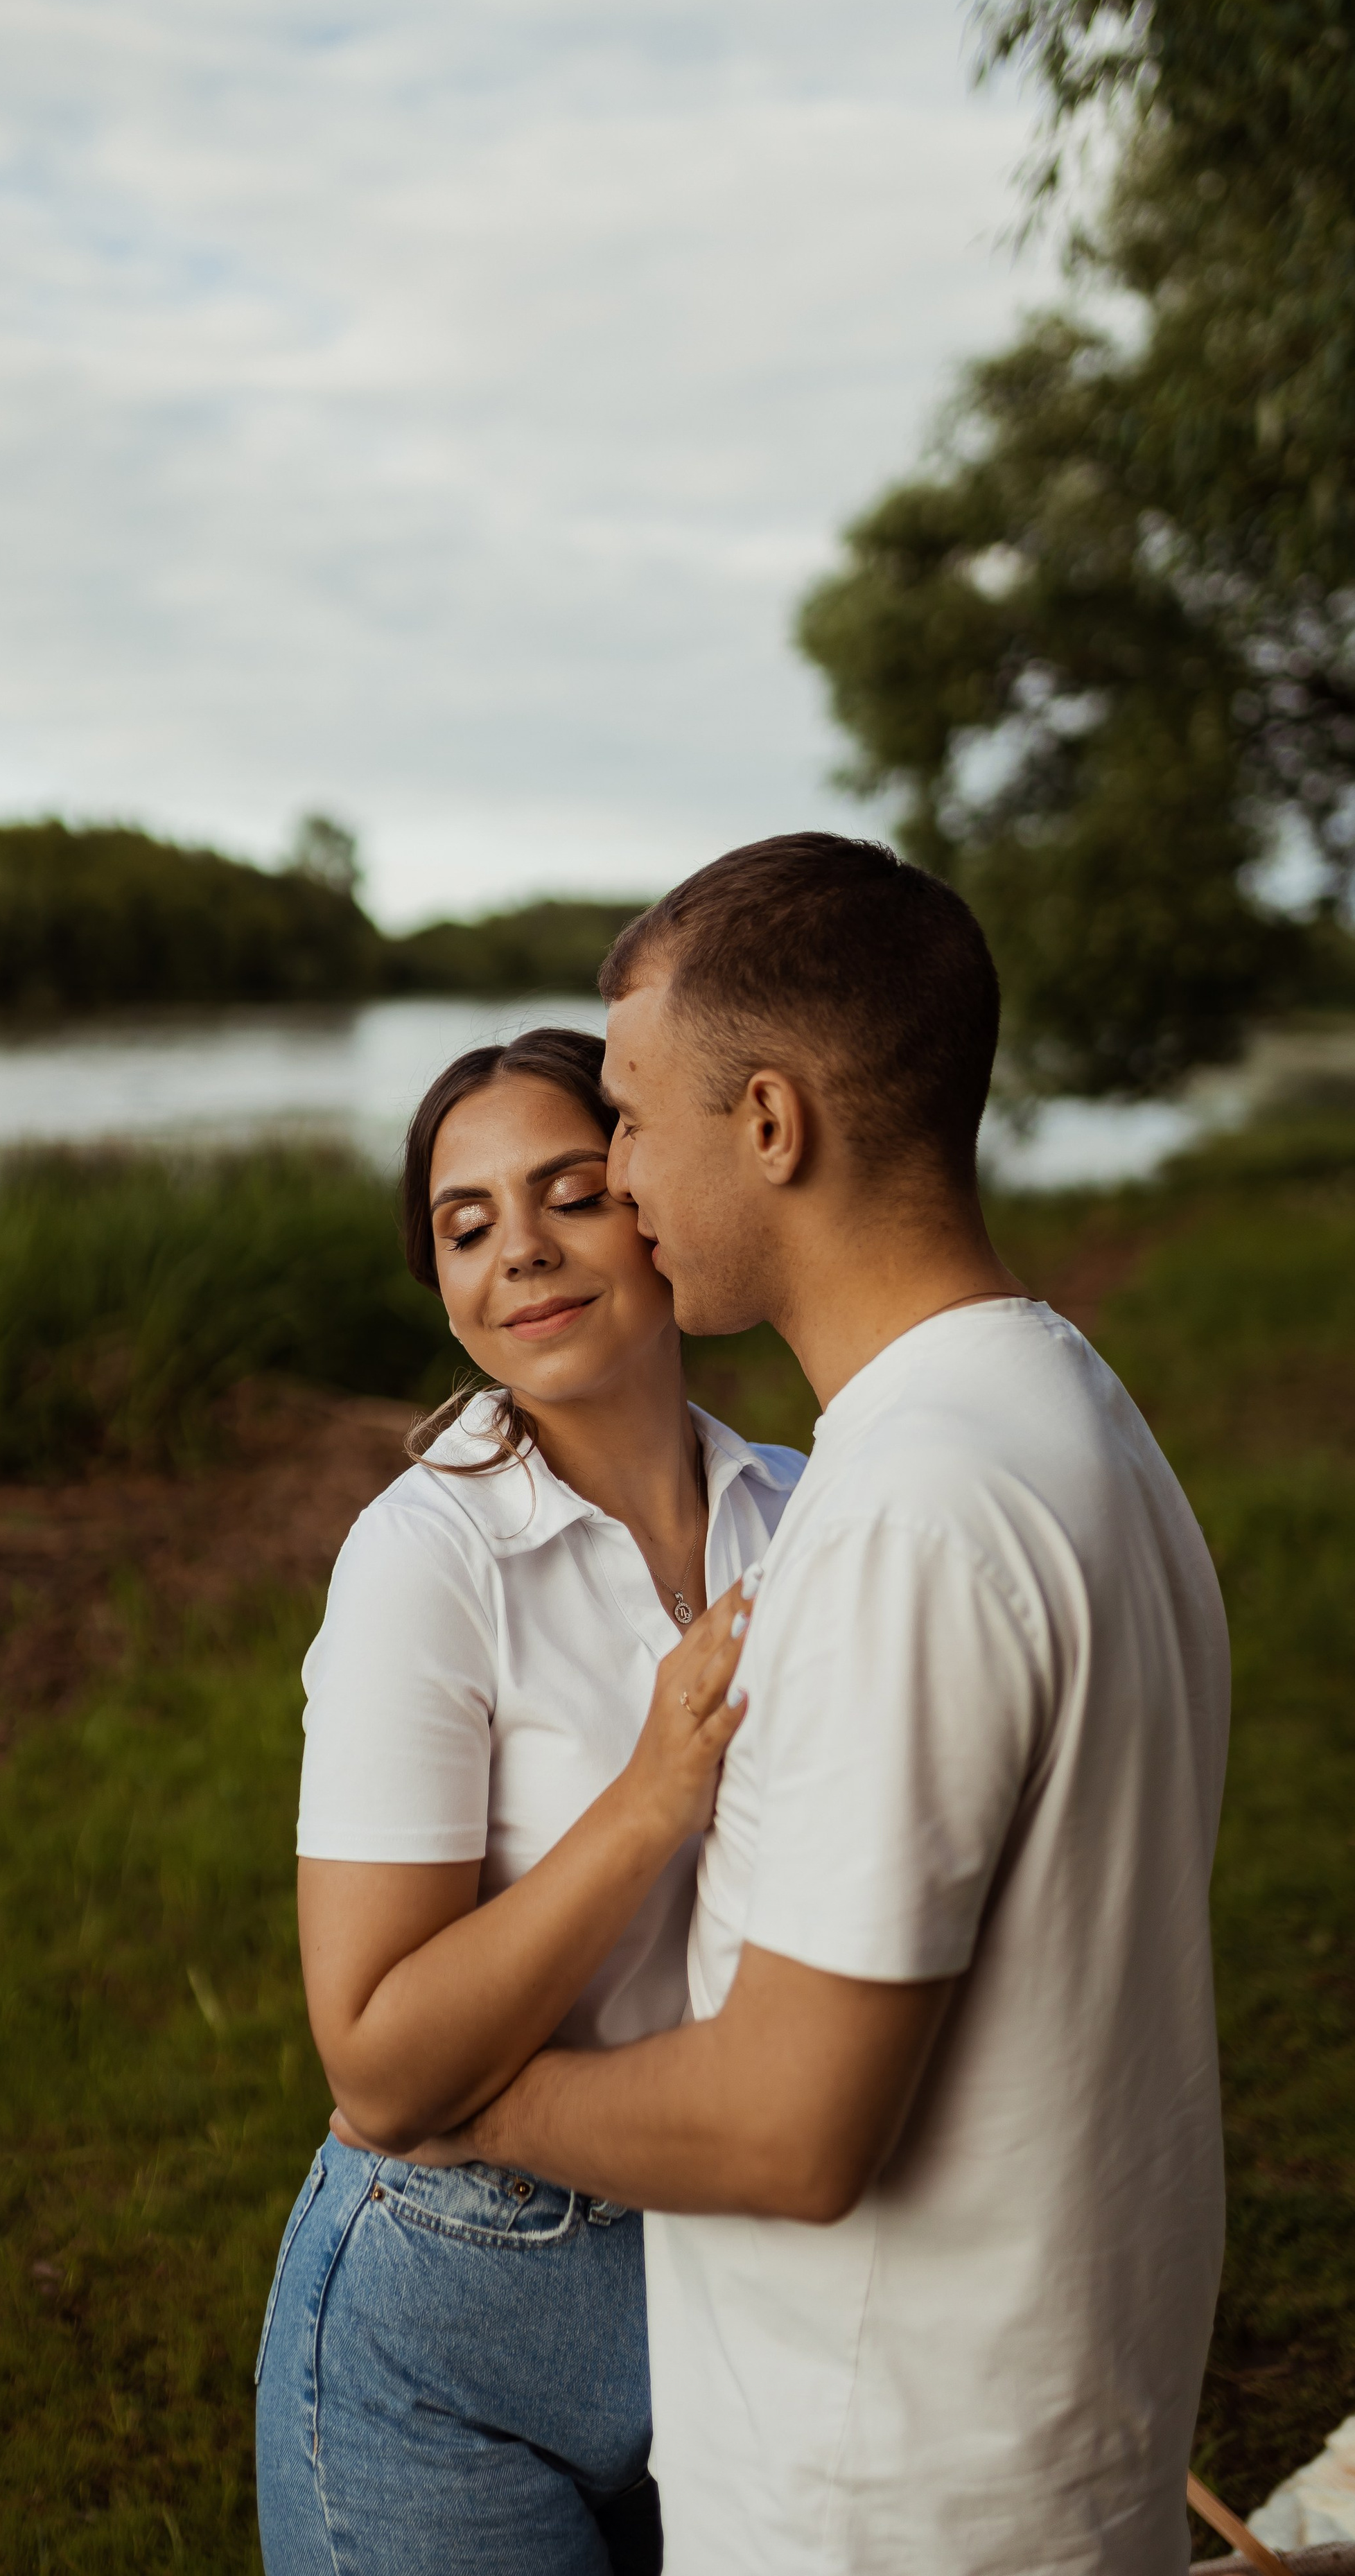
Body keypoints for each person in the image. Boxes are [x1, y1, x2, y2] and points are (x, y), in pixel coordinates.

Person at [367, 835, 1231, 2576]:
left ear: (768, 1123)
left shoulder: (908, 1515)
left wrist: (478, 2113)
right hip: (1033, 2433)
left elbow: (788, 2123)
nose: (619, 1175)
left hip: (888, 2497)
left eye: (626, 1120)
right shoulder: (1065, 1410)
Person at [254, 1026, 806, 2576]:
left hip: (733, 2266)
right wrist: (647, 1798)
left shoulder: (801, 1508)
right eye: (466, 1225)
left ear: (653, 1198)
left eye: (569, 1193)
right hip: (452, 2334)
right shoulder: (421, 1563)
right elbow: (376, 2065)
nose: (522, 1254)